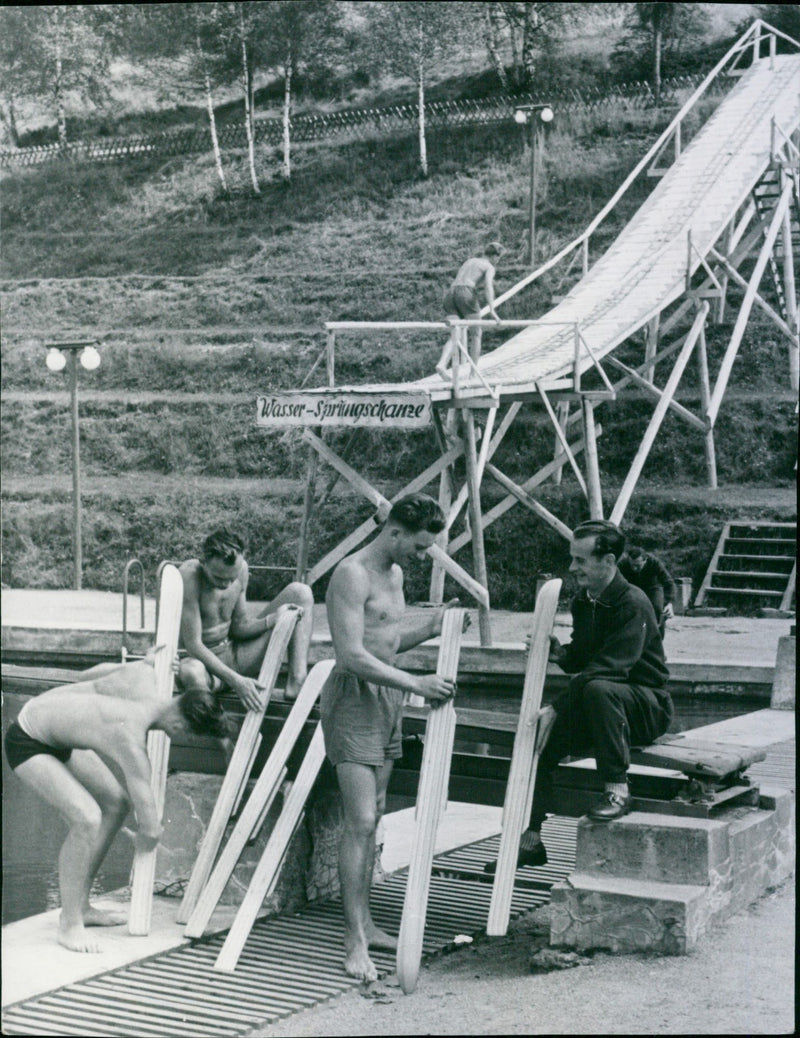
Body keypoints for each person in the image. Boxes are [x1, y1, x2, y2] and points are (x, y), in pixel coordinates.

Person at [322, 493, 469, 982]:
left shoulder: (396, 575)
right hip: (353, 700)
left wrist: (431, 628)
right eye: (419, 546)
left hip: (387, 700)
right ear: (396, 532)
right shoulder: (352, 573)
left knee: (377, 813)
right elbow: (351, 656)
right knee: (360, 820)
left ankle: (365, 920)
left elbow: (385, 642)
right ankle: (352, 942)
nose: (421, 555)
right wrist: (418, 685)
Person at [3, 650, 233, 953]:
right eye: (188, 734)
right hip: (27, 739)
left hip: (54, 727)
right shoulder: (131, 741)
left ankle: (81, 905)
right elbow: (151, 828)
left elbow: (85, 676)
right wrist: (145, 839)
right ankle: (68, 925)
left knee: (116, 804)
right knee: (86, 819)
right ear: (181, 727)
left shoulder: (144, 675)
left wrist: (143, 661)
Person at [486, 520, 672, 875]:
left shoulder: (633, 602)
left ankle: (617, 789)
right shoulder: (586, 601)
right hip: (600, 705)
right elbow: (586, 658)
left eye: (581, 560)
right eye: (572, 559)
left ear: (609, 560)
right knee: (537, 738)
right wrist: (561, 654)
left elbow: (610, 669)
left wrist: (557, 705)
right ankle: (530, 840)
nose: (572, 568)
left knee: (599, 688)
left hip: (647, 708)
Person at [178, 528, 314, 709]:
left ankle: (297, 682)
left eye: (231, 579)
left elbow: (239, 628)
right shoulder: (189, 575)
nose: (225, 585)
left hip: (234, 656)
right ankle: (209, 721)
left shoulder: (241, 569)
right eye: (218, 577)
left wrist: (273, 619)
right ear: (203, 562)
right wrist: (237, 682)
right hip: (204, 667)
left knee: (300, 592)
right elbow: (193, 646)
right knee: (190, 671)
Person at [437, 242, 504, 375]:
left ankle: (442, 364)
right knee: (476, 334)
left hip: (451, 293)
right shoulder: (489, 266)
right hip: (465, 293)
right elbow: (488, 287)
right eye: (499, 258)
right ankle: (473, 374)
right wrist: (492, 310)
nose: (498, 261)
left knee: (456, 332)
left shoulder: (471, 260)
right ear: (495, 256)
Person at [618, 545, 677, 638]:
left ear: (645, 561)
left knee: (657, 608)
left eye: (638, 566)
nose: (634, 569)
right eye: (632, 565)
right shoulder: (622, 564)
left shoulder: (654, 562)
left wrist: (670, 603)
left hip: (652, 588)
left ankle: (657, 638)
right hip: (632, 588)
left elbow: (668, 583)